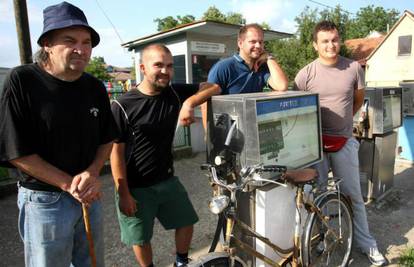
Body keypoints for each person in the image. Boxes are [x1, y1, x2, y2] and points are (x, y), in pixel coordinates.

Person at [0, 2, 118, 266]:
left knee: (91, 262)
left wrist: (93, 171)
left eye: (87, 42)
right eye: (69, 40)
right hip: (44, 201)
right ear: (47, 44)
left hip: (89, 196)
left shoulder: (94, 86)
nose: (81, 49)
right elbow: (14, 149)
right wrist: (68, 184)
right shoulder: (22, 81)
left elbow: (107, 137)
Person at [110, 44, 220, 267]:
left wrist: (189, 103)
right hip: (135, 186)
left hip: (167, 179)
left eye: (169, 66)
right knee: (141, 238)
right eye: (158, 65)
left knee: (187, 221)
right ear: (142, 67)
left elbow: (214, 87)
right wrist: (123, 193)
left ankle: (181, 261)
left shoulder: (173, 92)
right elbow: (116, 153)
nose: (165, 71)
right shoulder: (122, 105)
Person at [293, 20, 387, 266]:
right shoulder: (305, 74)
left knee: (353, 196)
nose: (330, 45)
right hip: (316, 146)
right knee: (321, 196)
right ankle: (327, 236)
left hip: (344, 142)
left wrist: (344, 126)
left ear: (339, 40)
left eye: (334, 39)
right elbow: (297, 109)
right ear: (315, 44)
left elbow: (357, 101)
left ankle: (367, 244)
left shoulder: (354, 68)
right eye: (324, 41)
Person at [207, 23, 288, 95]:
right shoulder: (223, 67)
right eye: (253, 41)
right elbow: (206, 100)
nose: (258, 46)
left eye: (261, 42)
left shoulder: (262, 67)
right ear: (240, 43)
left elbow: (282, 86)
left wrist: (269, 57)